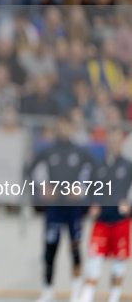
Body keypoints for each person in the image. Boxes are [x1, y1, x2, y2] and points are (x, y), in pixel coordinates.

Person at [28, 114, 95, 302]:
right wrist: (40, 189)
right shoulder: (48, 151)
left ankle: (76, 292)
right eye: (61, 125)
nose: (64, 129)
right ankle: (48, 290)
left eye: (67, 126)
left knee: (75, 249)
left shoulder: (80, 153)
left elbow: (94, 173)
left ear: (72, 128)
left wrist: (82, 191)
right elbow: (31, 170)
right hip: (54, 208)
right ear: (57, 127)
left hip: (73, 210)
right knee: (50, 249)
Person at [78, 127, 132, 302]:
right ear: (106, 141)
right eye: (111, 139)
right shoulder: (97, 165)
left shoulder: (128, 166)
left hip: (121, 221)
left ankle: (114, 297)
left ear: (122, 141)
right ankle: (87, 296)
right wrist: (90, 205)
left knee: (118, 263)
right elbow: (86, 190)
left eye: (117, 139)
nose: (114, 143)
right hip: (101, 221)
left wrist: (129, 205)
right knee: (94, 261)